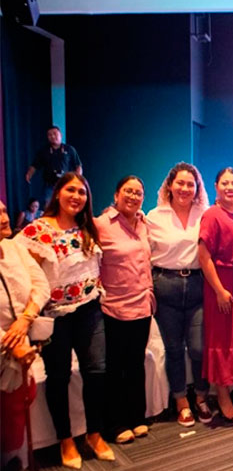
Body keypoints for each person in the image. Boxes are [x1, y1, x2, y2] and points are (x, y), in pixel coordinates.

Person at [16, 173, 113, 469]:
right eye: (71, 190)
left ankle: (94, 433)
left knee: (96, 372)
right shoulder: (37, 231)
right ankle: (65, 439)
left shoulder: (88, 228)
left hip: (89, 308)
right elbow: (21, 272)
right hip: (55, 316)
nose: (77, 196)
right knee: (59, 378)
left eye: (82, 192)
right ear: (58, 193)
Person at [147, 162, 212, 427]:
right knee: (174, 349)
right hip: (166, 285)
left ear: (197, 188)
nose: (185, 188)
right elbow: (143, 254)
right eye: (180, 183)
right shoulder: (153, 216)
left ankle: (201, 396)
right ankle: (181, 401)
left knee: (198, 348)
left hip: (197, 284)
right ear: (170, 185)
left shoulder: (204, 213)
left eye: (190, 184)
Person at [94, 176, 155, 444]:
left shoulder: (143, 224)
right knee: (115, 367)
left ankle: (136, 416)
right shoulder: (100, 225)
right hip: (114, 307)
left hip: (141, 304)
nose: (133, 196)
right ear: (116, 194)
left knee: (135, 364)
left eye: (138, 192)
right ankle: (114, 423)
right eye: (128, 191)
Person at [197, 167, 233, 423]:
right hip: (221, 285)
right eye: (225, 183)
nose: (230, 187)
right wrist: (220, 291)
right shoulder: (211, 215)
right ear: (215, 186)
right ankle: (222, 394)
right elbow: (204, 256)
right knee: (222, 341)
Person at [0, 200, 49, 471]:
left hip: (22, 338)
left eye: (4, 211)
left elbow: (40, 285)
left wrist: (26, 319)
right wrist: (9, 340)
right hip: (7, 344)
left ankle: (13, 463)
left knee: (19, 401)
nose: (4, 218)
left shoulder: (16, 247)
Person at [25, 126, 82, 203]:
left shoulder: (70, 149)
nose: (52, 136)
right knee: (49, 205)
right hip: (50, 184)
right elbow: (35, 165)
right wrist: (29, 174)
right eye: (49, 135)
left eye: (55, 134)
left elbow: (78, 166)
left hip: (66, 183)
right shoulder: (43, 151)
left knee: (67, 203)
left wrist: (78, 178)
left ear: (61, 135)